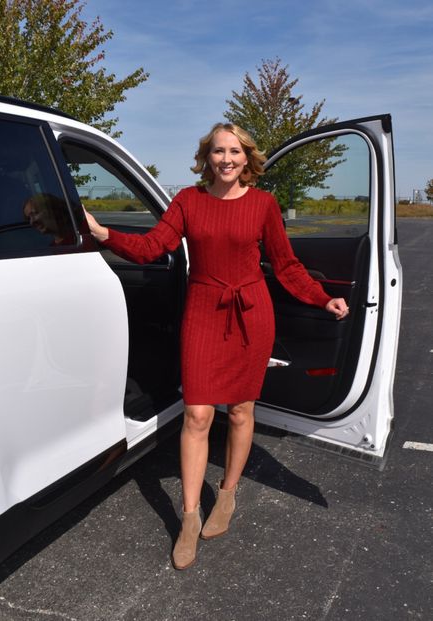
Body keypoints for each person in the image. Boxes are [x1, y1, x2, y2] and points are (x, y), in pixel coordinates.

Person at [84, 123, 349, 570]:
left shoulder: (264, 205)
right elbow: (153, 247)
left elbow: (286, 265)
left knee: (242, 410)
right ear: (207, 157)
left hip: (251, 315)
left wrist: (323, 298)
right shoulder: (188, 200)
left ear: (247, 158)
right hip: (204, 312)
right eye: (218, 151)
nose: (227, 159)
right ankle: (189, 516)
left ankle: (226, 495)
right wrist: (103, 233)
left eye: (235, 152)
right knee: (198, 413)